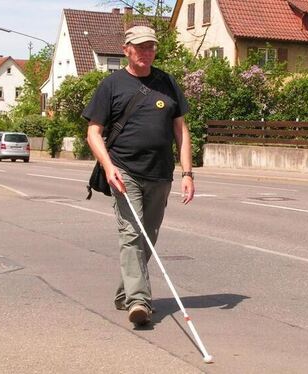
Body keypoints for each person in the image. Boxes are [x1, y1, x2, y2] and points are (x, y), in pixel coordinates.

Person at [82, 25, 195, 326]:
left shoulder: (167, 83)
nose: (146, 52)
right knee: (131, 234)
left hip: (160, 174)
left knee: (149, 236)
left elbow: (181, 130)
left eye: (151, 47)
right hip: (124, 171)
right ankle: (139, 301)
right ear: (127, 49)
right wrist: (108, 166)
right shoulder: (112, 85)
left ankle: (126, 292)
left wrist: (187, 172)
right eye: (140, 47)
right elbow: (93, 133)